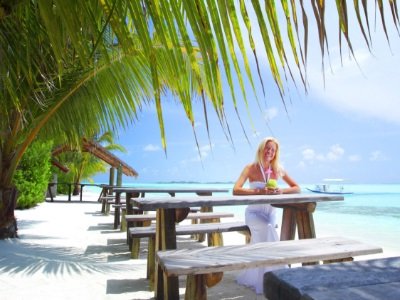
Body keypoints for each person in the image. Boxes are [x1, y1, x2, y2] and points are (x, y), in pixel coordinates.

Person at [233, 136, 300, 294]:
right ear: (261, 149)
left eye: (272, 149)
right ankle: (272, 277)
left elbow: (297, 188)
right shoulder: (250, 168)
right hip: (254, 213)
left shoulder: (277, 169)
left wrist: (281, 190)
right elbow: (236, 190)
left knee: (268, 230)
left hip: (270, 213)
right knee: (268, 230)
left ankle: (270, 276)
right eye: (267, 148)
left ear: (275, 153)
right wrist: (259, 191)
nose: (269, 152)